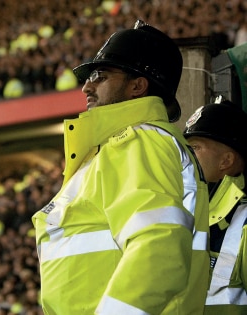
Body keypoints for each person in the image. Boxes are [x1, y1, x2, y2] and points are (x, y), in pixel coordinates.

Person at [32, 20, 210, 314]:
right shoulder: (123, 146)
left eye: (100, 75)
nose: (87, 86)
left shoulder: (137, 141)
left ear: (137, 86)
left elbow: (159, 246)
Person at [183, 101, 247, 314]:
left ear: (226, 160)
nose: (186, 156)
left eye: (195, 148)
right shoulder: (193, 202)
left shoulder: (243, 218)